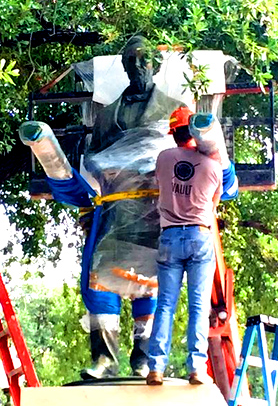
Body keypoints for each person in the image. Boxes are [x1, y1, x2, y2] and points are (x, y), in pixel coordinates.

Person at [81, 35, 185, 379]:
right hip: (115, 208)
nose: (138, 66)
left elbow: (184, 155)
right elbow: (94, 158)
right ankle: (105, 359)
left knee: (150, 281)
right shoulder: (107, 115)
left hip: (157, 211)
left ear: (155, 63)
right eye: (132, 61)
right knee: (101, 281)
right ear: (124, 67)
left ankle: (144, 358)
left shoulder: (173, 108)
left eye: (144, 60)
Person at [146, 106, 223, 386]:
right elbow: (213, 205)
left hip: (168, 237)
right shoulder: (214, 167)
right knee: (198, 305)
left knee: (165, 304)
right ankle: (196, 369)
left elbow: (161, 185)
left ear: (173, 133)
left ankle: (155, 368)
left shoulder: (163, 158)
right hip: (199, 237)